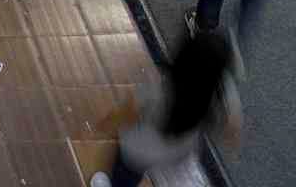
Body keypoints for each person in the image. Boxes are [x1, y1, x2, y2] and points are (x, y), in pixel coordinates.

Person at [89, 31, 240, 187]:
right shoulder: (223, 92)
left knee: (125, 176)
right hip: (178, 151)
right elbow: (232, 128)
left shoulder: (159, 87)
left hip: (139, 149)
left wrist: (105, 124)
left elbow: (128, 113)